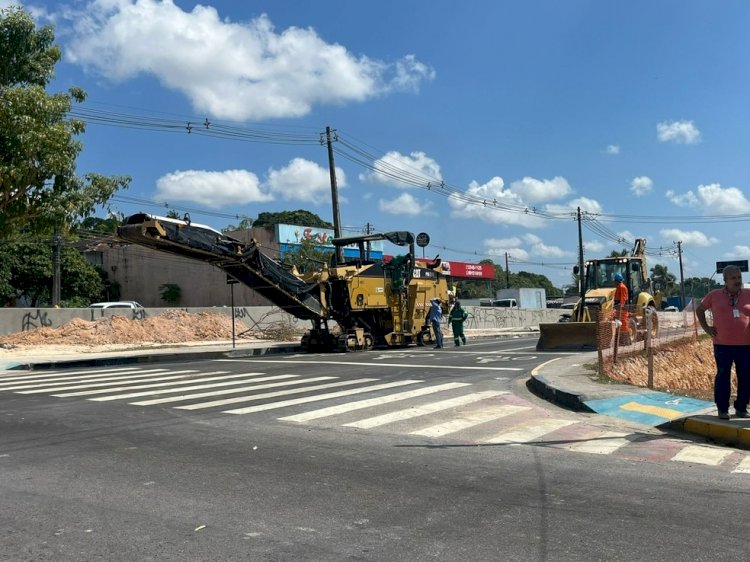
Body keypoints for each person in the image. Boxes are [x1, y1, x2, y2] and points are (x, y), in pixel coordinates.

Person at [695, 264, 750, 420]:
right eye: (733, 278)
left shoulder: (748, 294)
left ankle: (741, 408)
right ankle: (723, 409)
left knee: (746, 377)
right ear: (725, 280)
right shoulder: (714, 295)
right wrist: (706, 327)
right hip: (722, 345)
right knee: (723, 376)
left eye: (739, 277)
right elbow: (699, 309)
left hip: (746, 345)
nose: (737, 280)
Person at [613, 272, 630, 340]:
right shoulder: (618, 287)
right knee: (619, 322)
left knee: (623, 322)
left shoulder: (622, 287)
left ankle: (625, 339)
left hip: (621, 308)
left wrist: (620, 306)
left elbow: (623, 298)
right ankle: (621, 338)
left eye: (615, 280)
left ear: (617, 281)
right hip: (618, 306)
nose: (614, 282)